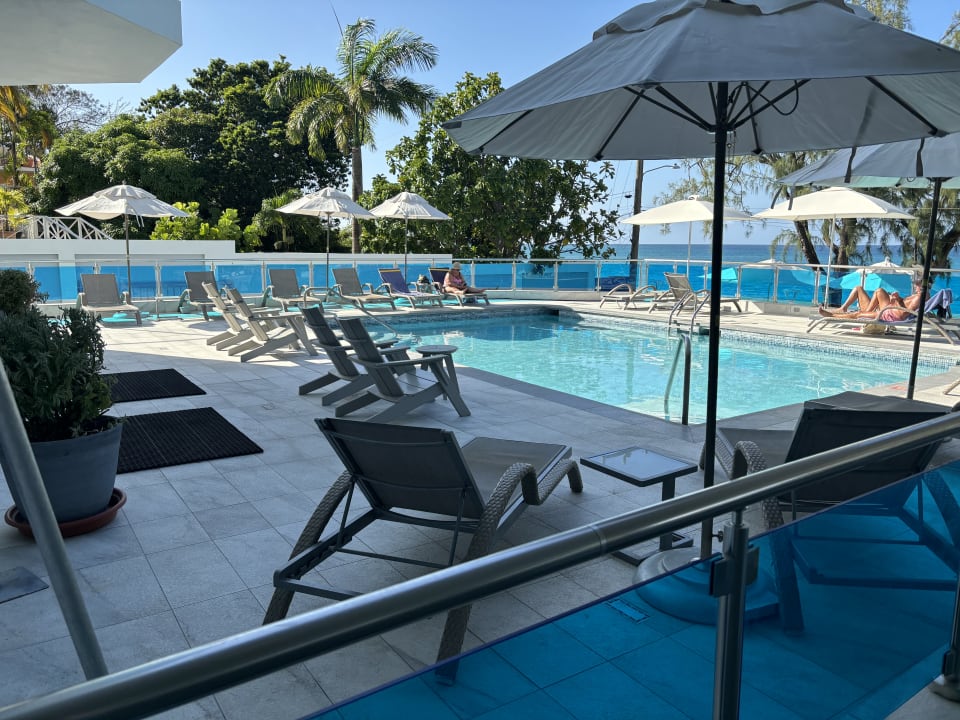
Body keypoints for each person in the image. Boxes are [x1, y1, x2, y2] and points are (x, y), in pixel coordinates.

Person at [819, 284, 922, 321]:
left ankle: (831, 316)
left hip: (887, 313)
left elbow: (903, 314)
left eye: (917, 283)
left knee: (858, 314)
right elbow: (905, 307)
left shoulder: (918, 298)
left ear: (921, 285)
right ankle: (844, 308)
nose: (914, 285)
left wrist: (897, 300)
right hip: (887, 308)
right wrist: (896, 298)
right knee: (860, 288)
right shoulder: (917, 296)